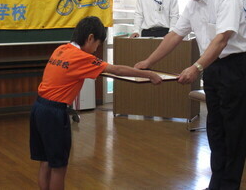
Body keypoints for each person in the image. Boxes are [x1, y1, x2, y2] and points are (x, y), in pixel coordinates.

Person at [135, 0, 246, 190]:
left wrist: (197, 67)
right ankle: (216, 184)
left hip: (235, 67)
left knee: (233, 132)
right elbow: (175, 35)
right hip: (213, 68)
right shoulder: (193, 4)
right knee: (215, 130)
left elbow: (221, 40)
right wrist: (148, 62)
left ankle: (229, 186)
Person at [30, 16, 162, 190]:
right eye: (97, 44)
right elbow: (116, 69)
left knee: (46, 162)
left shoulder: (61, 49)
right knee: (59, 166)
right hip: (54, 113)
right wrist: (150, 74)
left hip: (38, 108)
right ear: (90, 38)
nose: (96, 50)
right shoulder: (81, 57)